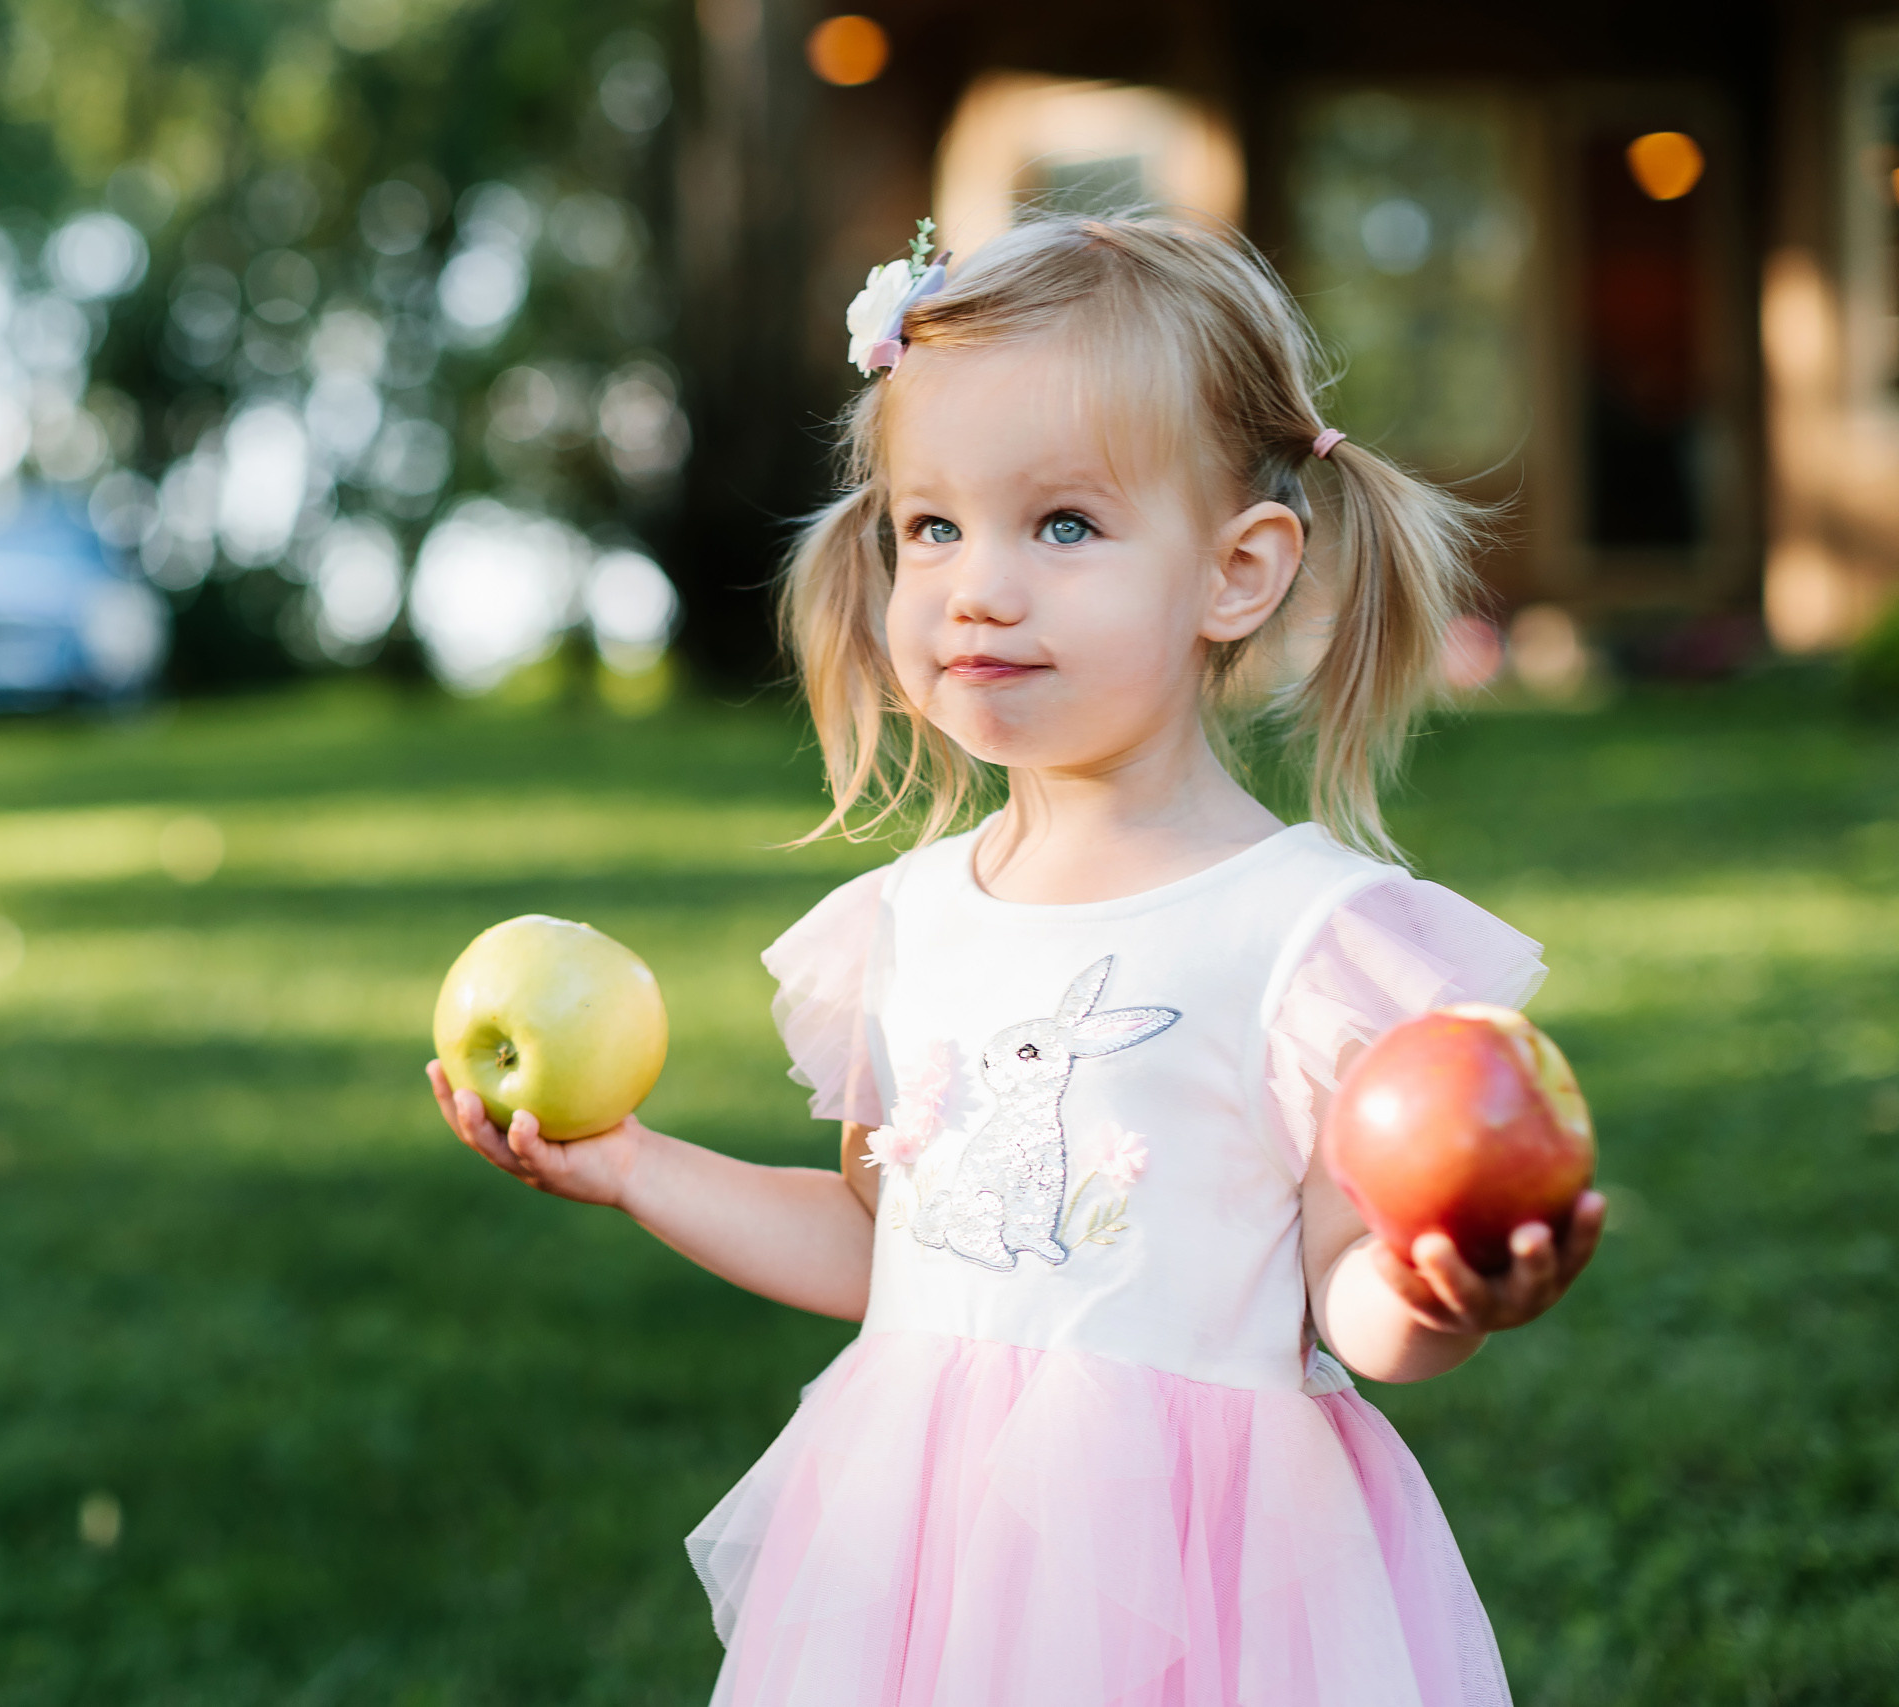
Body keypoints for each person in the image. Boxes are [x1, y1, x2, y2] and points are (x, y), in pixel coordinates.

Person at [425, 209, 1604, 1707]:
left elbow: (1347, 1304)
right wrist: (636, 1165)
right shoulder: (908, 925)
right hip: (915, 1558)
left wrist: (1440, 1294)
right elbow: (892, 1250)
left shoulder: (1302, 938)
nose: (979, 587)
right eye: (933, 527)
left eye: (1062, 526)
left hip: (1203, 1580)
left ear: (1238, 573)